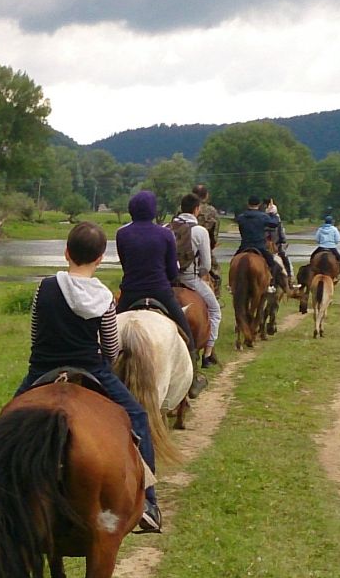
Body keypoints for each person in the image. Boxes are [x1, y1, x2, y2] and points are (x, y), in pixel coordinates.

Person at [18, 222, 163, 532]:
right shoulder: (104, 298)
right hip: (91, 368)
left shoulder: (44, 287)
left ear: (66, 253)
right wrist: (104, 363)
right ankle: (149, 501)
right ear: (99, 258)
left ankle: (0, 490)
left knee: (8, 422)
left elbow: (34, 333)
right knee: (137, 416)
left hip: (42, 369)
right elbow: (111, 347)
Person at [115, 191, 199, 353]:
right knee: (186, 333)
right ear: (153, 210)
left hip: (130, 292)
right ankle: (193, 369)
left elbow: (125, 264)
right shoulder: (165, 234)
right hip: (160, 291)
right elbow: (173, 271)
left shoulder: (122, 234)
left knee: (108, 333)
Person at [171, 194, 221, 367]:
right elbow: (206, 264)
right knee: (215, 310)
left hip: (167, 280)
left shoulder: (166, 227)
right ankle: (207, 354)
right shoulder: (200, 231)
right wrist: (199, 276)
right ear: (196, 209)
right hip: (189, 279)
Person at [233, 197, 289, 292]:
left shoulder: (241, 217)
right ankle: (270, 283)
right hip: (259, 246)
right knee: (272, 263)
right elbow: (274, 223)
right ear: (259, 205)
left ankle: (232, 284)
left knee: (234, 262)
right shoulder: (263, 216)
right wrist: (273, 214)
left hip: (244, 246)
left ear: (248, 204)